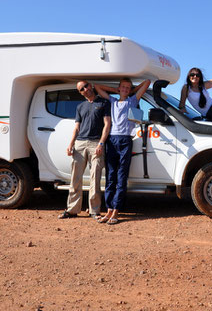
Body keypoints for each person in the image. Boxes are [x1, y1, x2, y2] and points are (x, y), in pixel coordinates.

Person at [94, 78, 151, 225]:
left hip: (125, 140)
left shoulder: (132, 100)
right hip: (112, 140)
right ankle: (108, 210)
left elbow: (147, 82)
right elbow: (97, 86)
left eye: (128, 87)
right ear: (119, 88)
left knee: (121, 176)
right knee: (110, 176)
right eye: (123, 87)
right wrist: (116, 90)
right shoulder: (112, 100)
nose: (125, 89)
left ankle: (116, 210)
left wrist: (132, 90)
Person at [59, 81, 111, 220]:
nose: (86, 89)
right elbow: (77, 127)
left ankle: (94, 211)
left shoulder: (104, 103)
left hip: (96, 144)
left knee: (95, 177)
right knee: (75, 177)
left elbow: (107, 124)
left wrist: (101, 143)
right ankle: (72, 209)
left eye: (86, 86)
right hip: (80, 144)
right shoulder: (80, 107)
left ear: (91, 86)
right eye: (82, 89)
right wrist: (71, 144)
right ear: (80, 93)